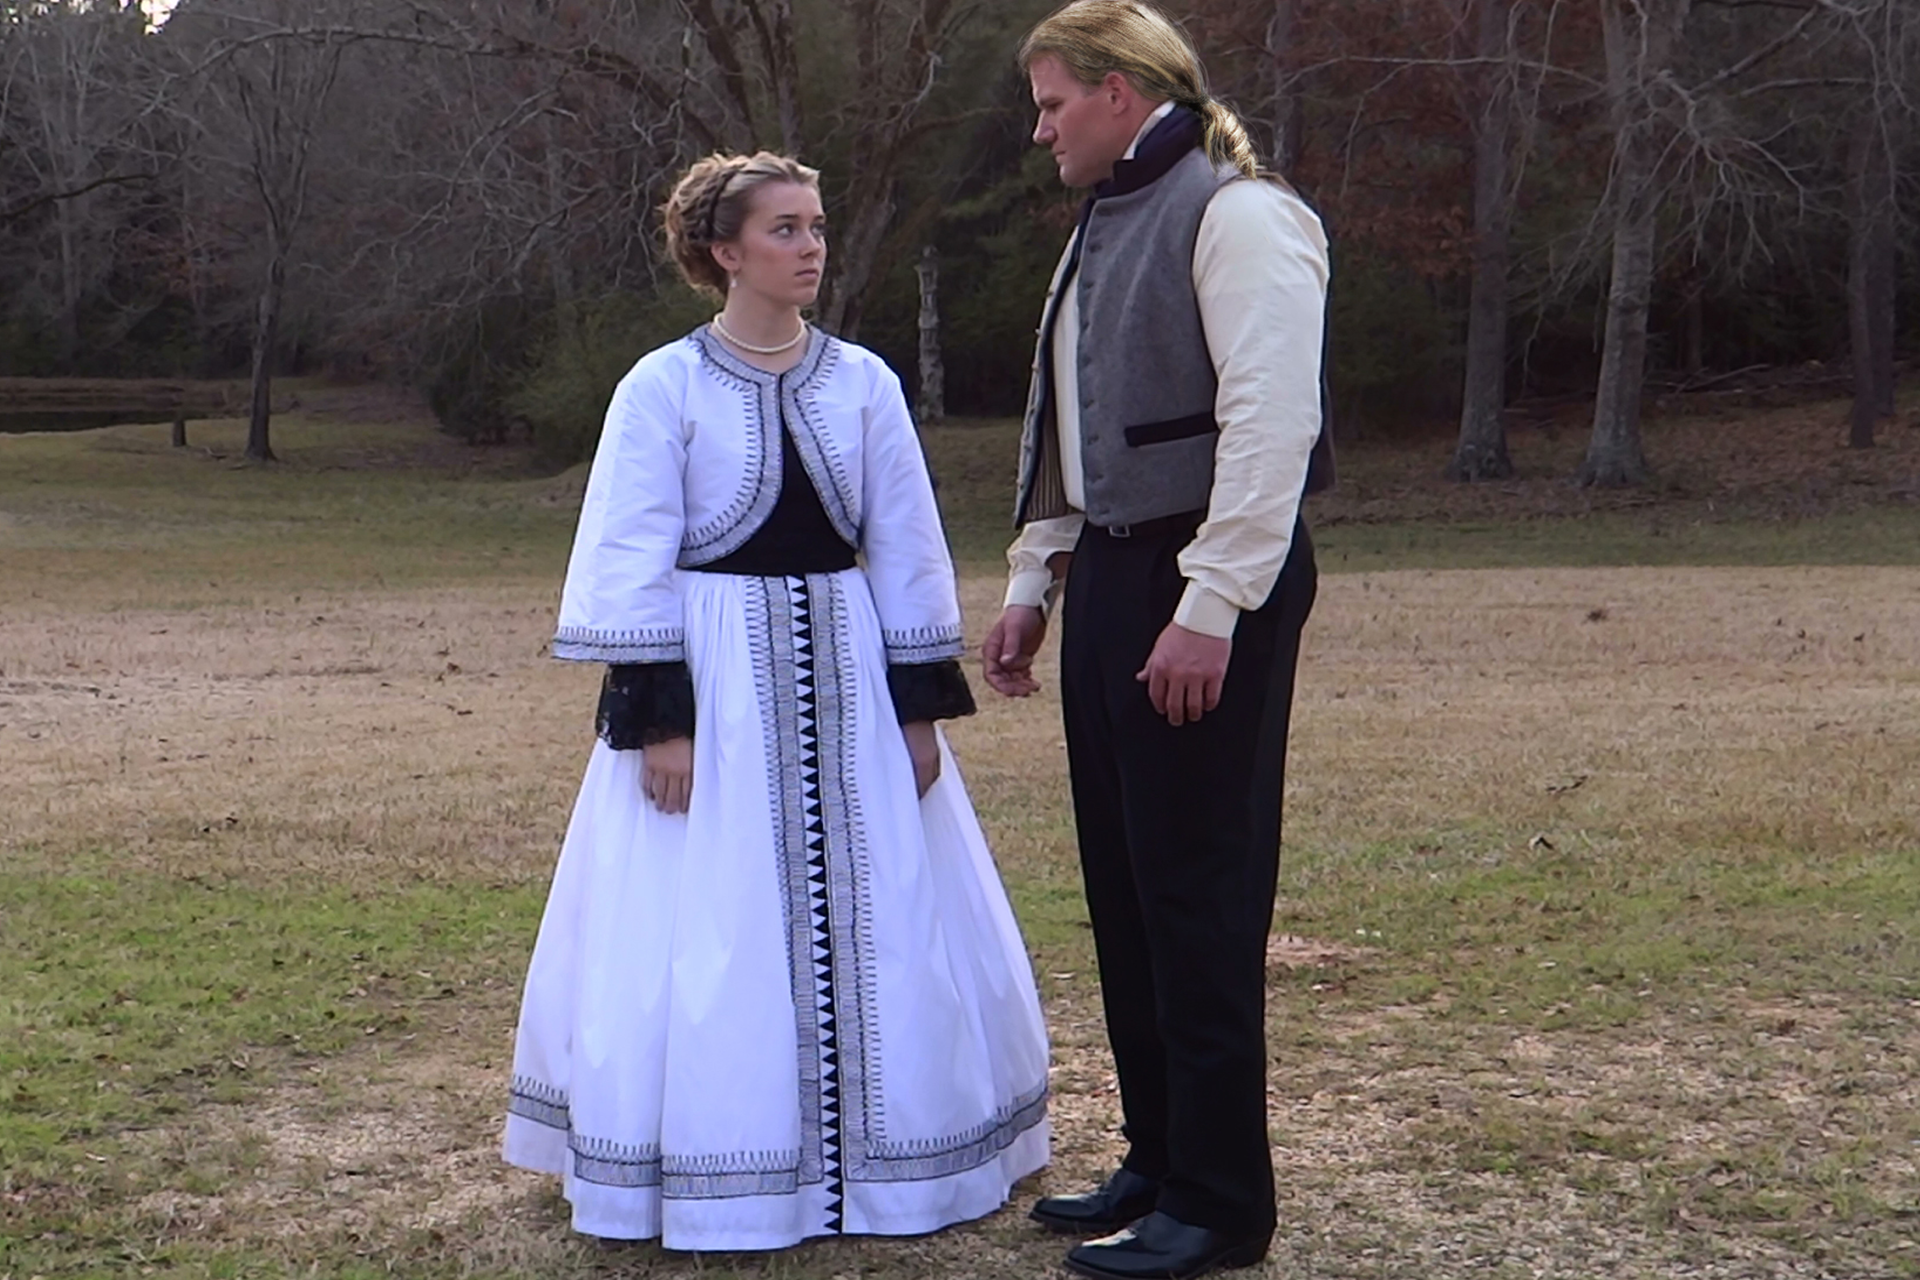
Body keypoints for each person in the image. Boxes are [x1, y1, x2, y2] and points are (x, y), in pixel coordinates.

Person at [504, 150, 1050, 1253]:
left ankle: (894, 1161)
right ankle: (723, 1165)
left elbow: (907, 546)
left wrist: (917, 710)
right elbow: (629, 553)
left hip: (850, 674)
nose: (811, 248)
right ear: (726, 250)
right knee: (711, 915)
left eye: (816, 226)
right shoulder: (662, 387)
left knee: (888, 907)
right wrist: (660, 719)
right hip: (714, 681)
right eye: (785, 229)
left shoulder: (864, 383)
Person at [980, 4, 1333, 1278]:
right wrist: (1037, 575)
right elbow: (1078, 415)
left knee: (1197, 885)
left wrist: (1210, 604)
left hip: (1202, 576)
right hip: (1117, 572)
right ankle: (1163, 1155)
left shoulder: (1241, 216)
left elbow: (1272, 425)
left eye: (1053, 103)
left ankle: (1224, 1199)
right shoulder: (1102, 220)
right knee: (1127, 880)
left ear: (1120, 93)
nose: (1040, 129)